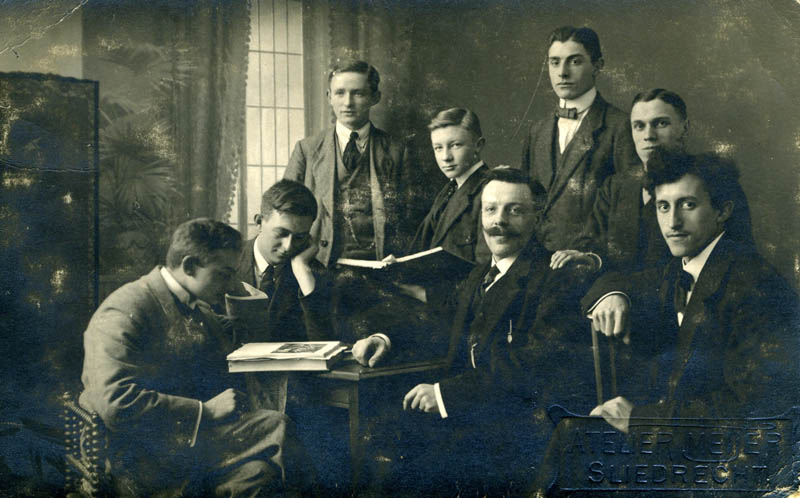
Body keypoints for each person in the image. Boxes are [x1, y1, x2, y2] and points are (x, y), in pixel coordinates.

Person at [398, 167, 594, 495]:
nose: (498, 221)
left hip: (520, 431)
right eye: (490, 210)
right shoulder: (479, 275)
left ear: (537, 218)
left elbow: (533, 367)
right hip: (474, 414)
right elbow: (439, 327)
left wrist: (445, 395)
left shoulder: (555, 278)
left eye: (514, 211)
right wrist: (384, 339)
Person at [79, 219, 309, 497]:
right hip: (140, 455)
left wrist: (240, 299)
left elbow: (237, 340)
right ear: (189, 266)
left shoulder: (196, 306)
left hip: (184, 442)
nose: (230, 285)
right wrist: (205, 410)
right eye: (223, 275)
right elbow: (116, 402)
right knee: (277, 427)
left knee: (257, 474)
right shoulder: (125, 309)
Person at [583, 151, 798, 432]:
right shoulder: (679, 268)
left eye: (688, 205)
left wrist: (642, 419)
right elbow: (622, 281)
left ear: (722, 211)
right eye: (663, 206)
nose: (673, 222)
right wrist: (614, 295)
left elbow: (756, 406)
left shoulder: (757, 286)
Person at [284, 59, 426, 367]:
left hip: (380, 278)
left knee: (372, 359)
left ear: (375, 97)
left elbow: (413, 218)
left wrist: (399, 258)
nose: (348, 102)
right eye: (340, 93)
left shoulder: (397, 150)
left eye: (358, 93)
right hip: (321, 273)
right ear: (329, 97)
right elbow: (284, 209)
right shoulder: (308, 149)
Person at [551, 89, 755, 272]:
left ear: (684, 128)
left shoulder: (713, 179)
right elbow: (591, 245)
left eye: (661, 123)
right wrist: (590, 259)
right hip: (611, 298)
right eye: (639, 126)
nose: (649, 136)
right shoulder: (615, 187)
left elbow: (735, 256)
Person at [520, 26, 637, 252]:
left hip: (590, 261)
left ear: (598, 66)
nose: (562, 73)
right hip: (535, 260)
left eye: (574, 62)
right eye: (555, 62)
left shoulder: (620, 126)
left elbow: (627, 213)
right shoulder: (537, 130)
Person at [397, 107, 491, 309]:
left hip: (461, 310)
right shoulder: (449, 190)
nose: (445, 157)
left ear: (478, 145)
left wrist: (426, 295)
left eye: (455, 145)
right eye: (438, 148)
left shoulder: (489, 192)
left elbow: (488, 273)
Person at [232, 179, 331, 342]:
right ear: (259, 222)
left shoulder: (313, 273)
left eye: (299, 237)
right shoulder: (227, 261)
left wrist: (301, 270)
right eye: (281, 233)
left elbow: (324, 341)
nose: (288, 246)